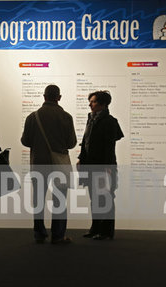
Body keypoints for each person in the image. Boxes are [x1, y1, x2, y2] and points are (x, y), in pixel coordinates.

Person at [21, 85, 77, 244]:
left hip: (39, 163)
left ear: (44, 96)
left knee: (38, 200)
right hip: (59, 164)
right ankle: (58, 235)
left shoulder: (33, 117)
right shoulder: (66, 117)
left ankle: (39, 233)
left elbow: (25, 141)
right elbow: (72, 143)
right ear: (59, 97)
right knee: (59, 200)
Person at [78, 91, 123, 240]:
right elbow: (86, 141)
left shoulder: (109, 121)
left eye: (93, 101)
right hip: (91, 165)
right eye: (90, 101)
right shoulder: (91, 119)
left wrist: (108, 167)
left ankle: (106, 231)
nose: (90, 104)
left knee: (106, 198)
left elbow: (109, 146)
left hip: (103, 167)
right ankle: (95, 228)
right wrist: (81, 158)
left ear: (103, 104)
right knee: (95, 198)